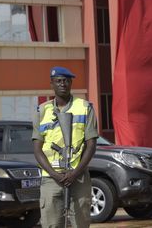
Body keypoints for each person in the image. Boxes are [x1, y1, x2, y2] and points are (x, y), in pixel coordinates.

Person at [33, 66, 98, 228]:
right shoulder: (42, 111)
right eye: (59, 81)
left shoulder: (85, 108)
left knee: (80, 223)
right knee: (51, 223)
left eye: (66, 81)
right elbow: (37, 149)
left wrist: (75, 173)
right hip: (51, 179)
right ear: (52, 84)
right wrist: (54, 174)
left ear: (71, 83)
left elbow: (91, 145)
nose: (63, 84)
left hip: (78, 177)